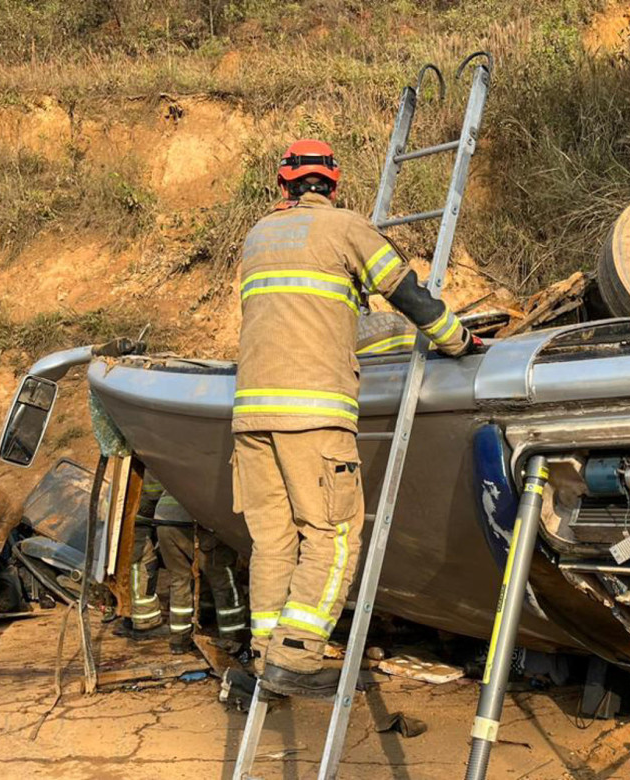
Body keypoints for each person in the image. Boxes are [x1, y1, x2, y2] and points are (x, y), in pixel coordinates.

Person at [232, 139, 479, 697]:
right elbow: (404, 293)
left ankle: (263, 656)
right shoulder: (345, 227)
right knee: (334, 535)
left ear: (283, 184)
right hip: (314, 412)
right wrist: (456, 339)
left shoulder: (257, 237)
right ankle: (296, 659)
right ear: (333, 184)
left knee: (273, 541)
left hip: (250, 417)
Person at [153, 487, 249, 654]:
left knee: (180, 580)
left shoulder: (182, 463)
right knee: (224, 579)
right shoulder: (222, 466)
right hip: (197, 522)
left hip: (164, 520)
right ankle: (232, 637)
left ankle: (179, 640)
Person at [116, 472, 164, 638]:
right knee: (144, 569)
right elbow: (154, 493)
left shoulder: (125, 468)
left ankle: (129, 619)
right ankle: (144, 623)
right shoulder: (149, 464)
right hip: (134, 526)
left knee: (131, 573)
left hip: (126, 523)